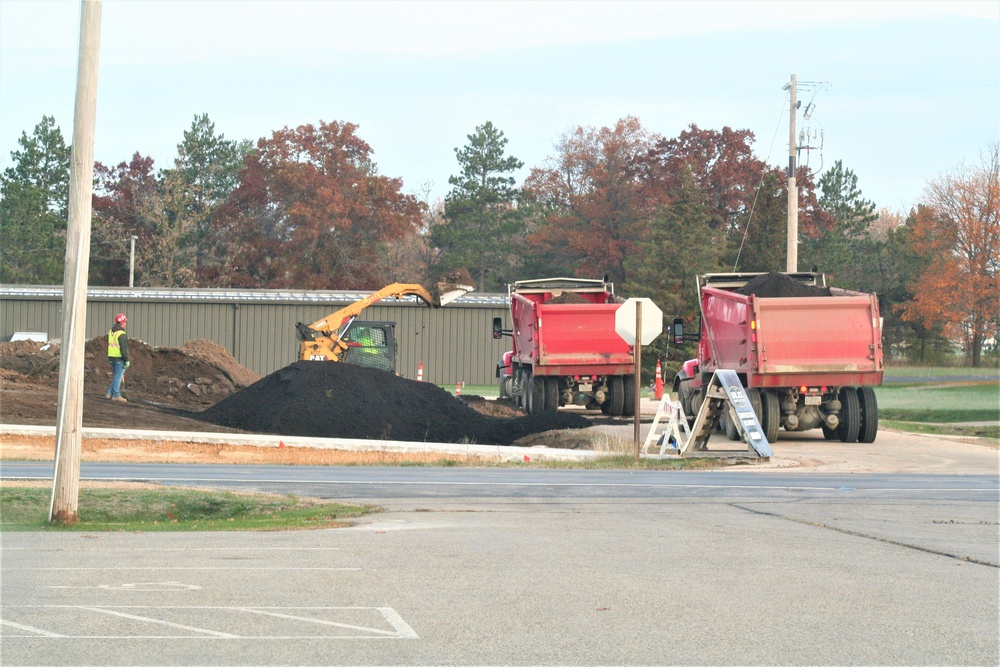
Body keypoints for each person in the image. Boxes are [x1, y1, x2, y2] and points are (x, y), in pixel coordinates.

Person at [106, 313, 130, 402]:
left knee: (116, 376)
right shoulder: (121, 334)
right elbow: (124, 350)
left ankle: (109, 393)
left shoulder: (111, 332)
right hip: (119, 359)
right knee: (118, 377)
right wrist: (127, 360)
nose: (125, 324)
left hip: (111, 357)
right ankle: (116, 395)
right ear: (122, 323)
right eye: (125, 322)